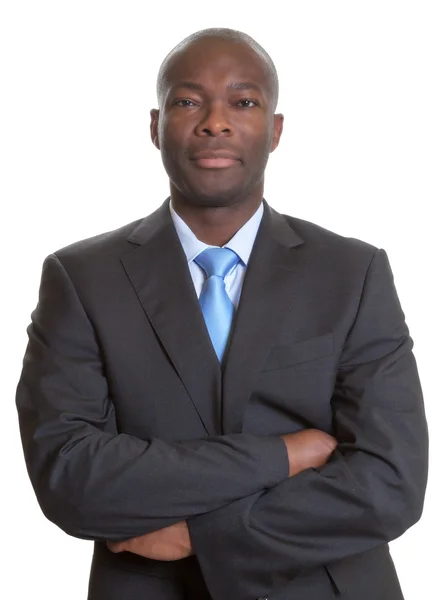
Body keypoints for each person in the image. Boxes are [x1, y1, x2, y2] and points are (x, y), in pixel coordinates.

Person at [16, 27, 428, 600]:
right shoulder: (81, 279)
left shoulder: (352, 273)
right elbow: (69, 477)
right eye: (188, 101)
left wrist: (201, 535)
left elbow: (391, 483)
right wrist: (285, 453)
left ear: (276, 130)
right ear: (156, 127)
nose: (215, 121)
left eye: (243, 101)